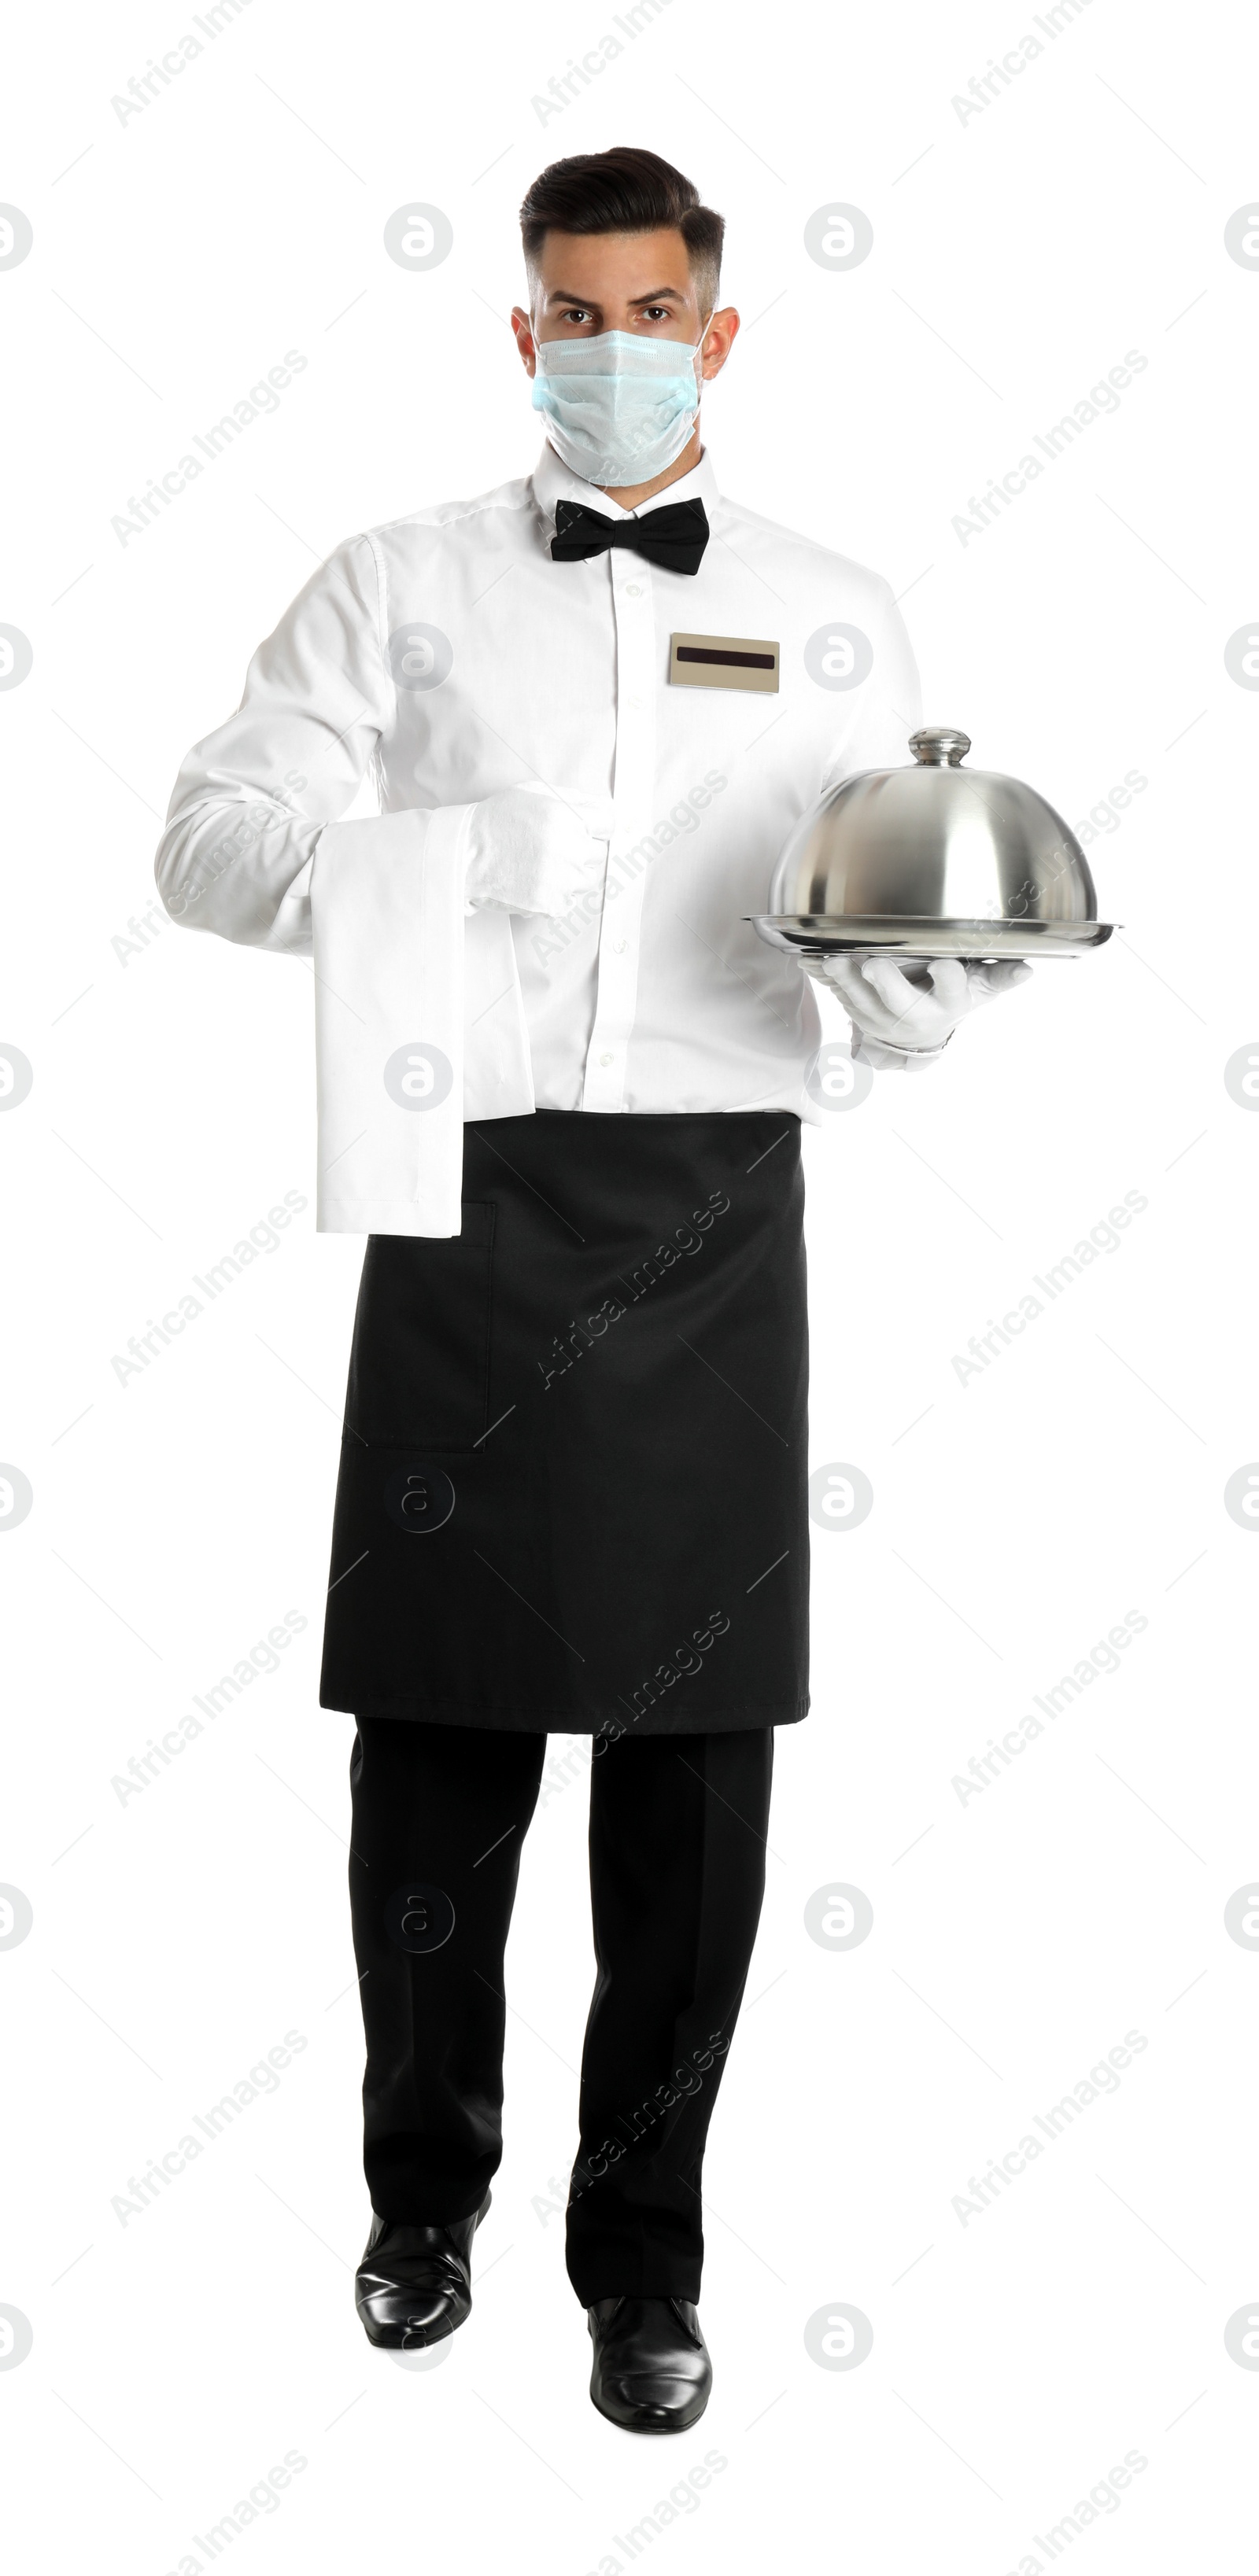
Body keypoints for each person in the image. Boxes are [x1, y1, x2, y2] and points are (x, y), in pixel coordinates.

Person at [154, 144, 1028, 2433]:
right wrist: (434, 865)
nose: (613, 352)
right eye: (573, 315)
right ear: (524, 333)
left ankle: (645, 2264)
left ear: (716, 334)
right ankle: (417, 2199)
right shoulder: (397, 583)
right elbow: (205, 845)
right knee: (434, 1758)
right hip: (465, 1202)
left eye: (654, 315)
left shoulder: (835, 611)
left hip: (717, 1215)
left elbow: (882, 928)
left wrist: (925, 998)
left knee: (694, 1785)